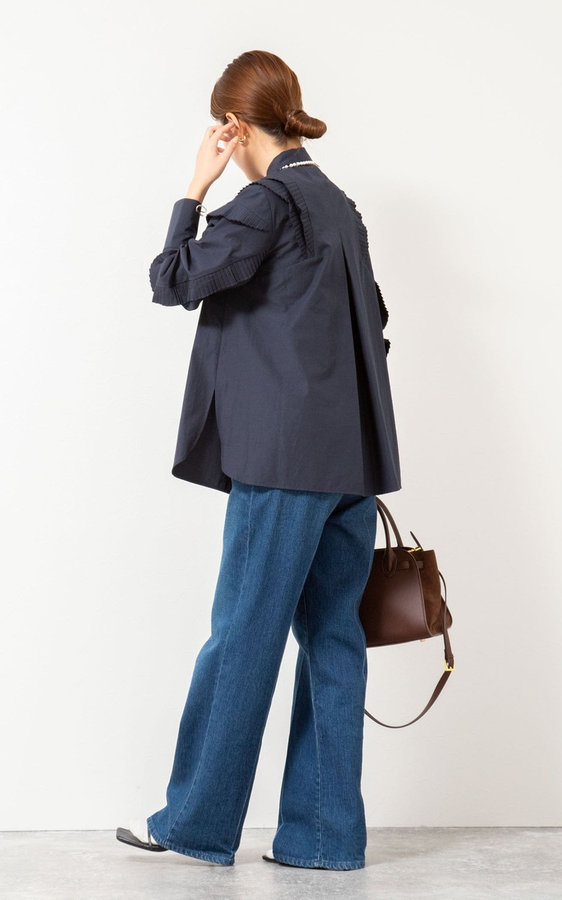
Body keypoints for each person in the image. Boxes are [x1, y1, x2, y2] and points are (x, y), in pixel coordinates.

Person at [115, 50, 401, 870]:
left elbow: (174, 279)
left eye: (223, 131)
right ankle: (324, 840)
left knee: (243, 634)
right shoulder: (339, 206)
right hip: (351, 462)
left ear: (235, 126)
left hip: (283, 464)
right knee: (333, 640)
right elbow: (375, 326)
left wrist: (193, 189)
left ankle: (196, 825)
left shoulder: (267, 202)